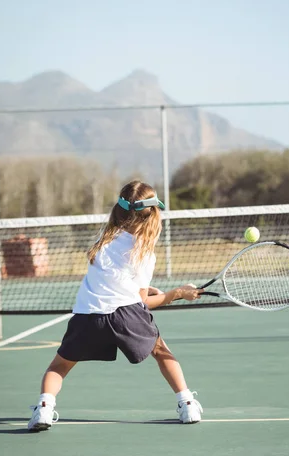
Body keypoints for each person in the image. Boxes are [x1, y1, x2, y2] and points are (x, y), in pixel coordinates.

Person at [27, 181, 204, 431]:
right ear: (152, 215)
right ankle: (187, 405)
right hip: (126, 316)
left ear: (119, 210)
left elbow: (121, 283)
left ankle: (44, 409)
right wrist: (177, 293)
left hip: (88, 316)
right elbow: (142, 303)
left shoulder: (103, 239)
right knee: (162, 352)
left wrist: (145, 290)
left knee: (58, 367)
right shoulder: (145, 254)